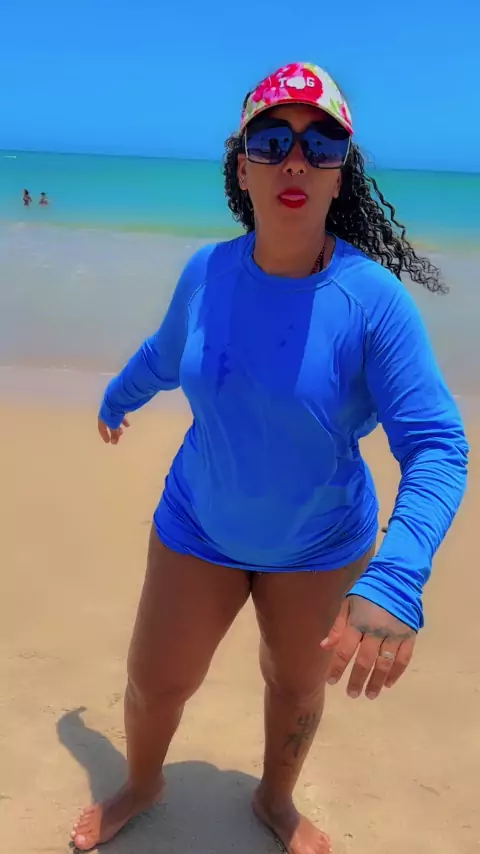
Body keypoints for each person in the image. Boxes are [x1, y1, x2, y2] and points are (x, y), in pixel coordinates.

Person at [71, 62, 468, 854]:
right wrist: (118, 396)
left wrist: (397, 574)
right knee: (155, 683)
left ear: (340, 173)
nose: (295, 160)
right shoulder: (207, 272)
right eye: (272, 140)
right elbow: (165, 354)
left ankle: (275, 799)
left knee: (294, 687)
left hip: (321, 542)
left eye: (321, 144)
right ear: (241, 164)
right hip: (198, 523)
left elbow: (436, 445)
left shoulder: (372, 303)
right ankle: (142, 783)